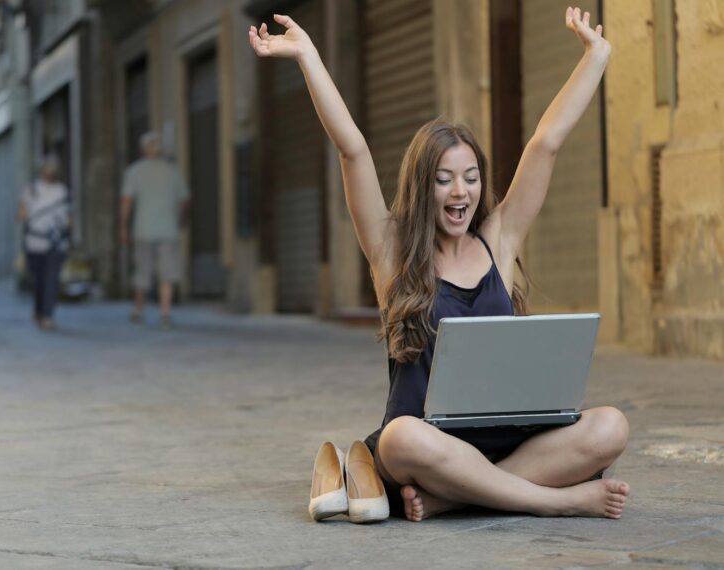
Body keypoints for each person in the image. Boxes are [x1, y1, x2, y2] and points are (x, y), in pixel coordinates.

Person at [249, 7, 631, 521]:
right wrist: (308, 56)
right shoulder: (394, 253)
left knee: (611, 426)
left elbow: (546, 143)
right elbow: (352, 150)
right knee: (402, 437)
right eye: (444, 178)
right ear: (421, 186)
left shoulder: (499, 241)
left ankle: (457, 497)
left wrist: (596, 56)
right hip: (430, 447)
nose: (460, 192)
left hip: (509, 442)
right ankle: (555, 500)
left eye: (471, 177)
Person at [119, 132, 189, 329]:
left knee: (142, 270)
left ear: (142, 150)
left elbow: (126, 202)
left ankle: (138, 310)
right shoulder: (172, 171)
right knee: (167, 272)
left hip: (143, 229)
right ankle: (165, 312)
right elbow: (184, 201)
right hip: (168, 229)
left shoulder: (135, 171)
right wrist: (181, 220)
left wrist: (123, 227)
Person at [18, 155, 71, 331]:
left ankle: (45, 314)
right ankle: (42, 312)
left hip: (39, 241)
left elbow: (21, 216)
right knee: (46, 280)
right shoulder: (61, 190)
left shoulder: (32, 189)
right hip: (50, 241)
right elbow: (69, 218)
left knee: (45, 279)